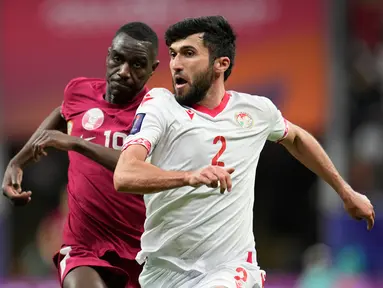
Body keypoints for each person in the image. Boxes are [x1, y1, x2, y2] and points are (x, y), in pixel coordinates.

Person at [113, 16, 375, 288]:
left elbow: (296, 138)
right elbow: (125, 174)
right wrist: (188, 177)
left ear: (220, 64)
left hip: (230, 267)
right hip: (163, 271)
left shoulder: (256, 111)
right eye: (173, 54)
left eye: (188, 54)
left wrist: (346, 192)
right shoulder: (159, 105)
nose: (176, 64)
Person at [2, 22, 159, 288]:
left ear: (152, 69)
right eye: (118, 59)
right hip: (83, 246)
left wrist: (77, 144)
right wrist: (18, 162)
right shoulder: (80, 92)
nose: (123, 72)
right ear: (108, 54)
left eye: (137, 64)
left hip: (141, 250)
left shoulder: (158, 112)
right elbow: (61, 113)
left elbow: (135, 167)